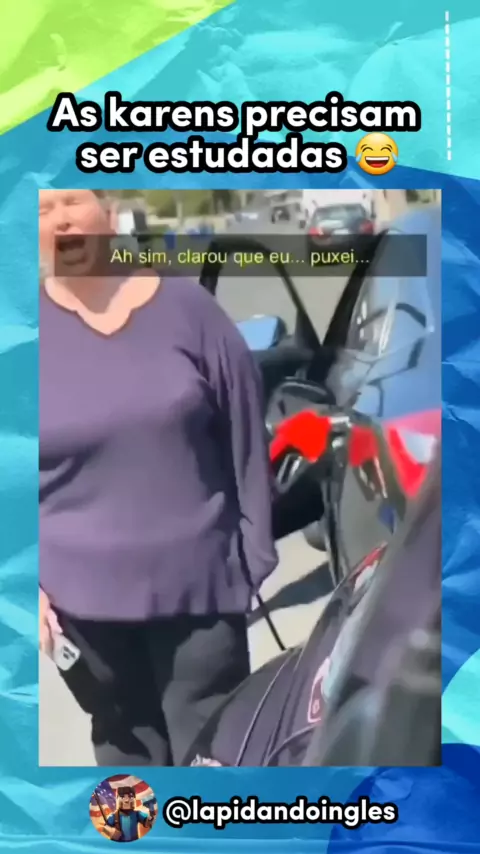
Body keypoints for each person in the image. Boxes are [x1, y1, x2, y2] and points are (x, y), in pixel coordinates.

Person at [39, 189, 278, 766]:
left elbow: (246, 429)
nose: (61, 220)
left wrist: (251, 558)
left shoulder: (187, 309)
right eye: (42, 210)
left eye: (72, 201)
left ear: (108, 213)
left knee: (216, 758)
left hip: (200, 594)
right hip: (81, 613)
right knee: (128, 767)